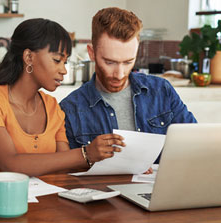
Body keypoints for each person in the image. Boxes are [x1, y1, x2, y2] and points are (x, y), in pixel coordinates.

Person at [0, 18, 125, 176]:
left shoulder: (52, 106)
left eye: (65, 62)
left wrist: (119, 164)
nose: (63, 70)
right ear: (29, 57)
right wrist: (86, 153)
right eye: (57, 60)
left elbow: (64, 165)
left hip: (44, 198)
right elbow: (11, 164)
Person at [60, 7, 197, 163]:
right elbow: (69, 174)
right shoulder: (69, 109)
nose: (119, 74)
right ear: (91, 53)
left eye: (128, 62)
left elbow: (194, 142)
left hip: (162, 187)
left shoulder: (161, 90)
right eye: (109, 62)